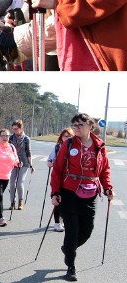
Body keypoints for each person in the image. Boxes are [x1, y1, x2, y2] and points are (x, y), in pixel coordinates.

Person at [50, 114, 113, 281]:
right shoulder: (68, 143)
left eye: (80, 124)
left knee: (87, 231)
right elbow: (57, 169)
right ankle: (71, 266)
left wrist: (107, 188)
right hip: (69, 192)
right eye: (74, 124)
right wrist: (55, 192)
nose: (76, 127)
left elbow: (105, 169)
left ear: (90, 126)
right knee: (72, 231)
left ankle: (68, 249)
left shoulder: (99, 145)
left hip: (91, 192)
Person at [0, 129, 20, 226]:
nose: (5, 138)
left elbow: (15, 159)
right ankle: (1, 218)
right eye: (3, 136)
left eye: (7, 136)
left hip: (6, 176)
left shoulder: (12, 147)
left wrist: (18, 163)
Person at [47, 127, 74, 233]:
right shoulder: (57, 147)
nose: (67, 138)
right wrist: (51, 163)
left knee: (67, 201)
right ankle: (57, 223)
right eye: (65, 136)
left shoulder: (75, 148)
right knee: (58, 199)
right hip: (58, 178)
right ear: (61, 137)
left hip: (71, 179)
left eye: (70, 136)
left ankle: (62, 218)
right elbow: (49, 161)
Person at [8, 120, 34, 210]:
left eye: (17, 128)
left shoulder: (26, 139)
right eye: (13, 129)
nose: (15, 130)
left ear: (21, 128)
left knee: (20, 182)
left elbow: (28, 152)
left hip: (24, 163)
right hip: (13, 163)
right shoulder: (10, 138)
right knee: (12, 183)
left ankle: (20, 201)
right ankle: (12, 202)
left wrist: (31, 165)